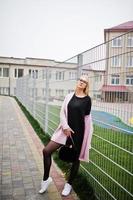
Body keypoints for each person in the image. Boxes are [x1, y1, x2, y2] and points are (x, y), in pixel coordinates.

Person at [39, 75, 93, 196]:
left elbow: (87, 120)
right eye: (80, 80)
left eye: (84, 82)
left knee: (75, 160)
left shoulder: (87, 100)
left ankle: (69, 184)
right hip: (64, 132)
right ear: (77, 81)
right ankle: (46, 179)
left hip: (78, 134)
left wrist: (86, 139)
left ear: (86, 85)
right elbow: (62, 112)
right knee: (46, 151)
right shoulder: (69, 96)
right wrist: (65, 127)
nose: (82, 82)